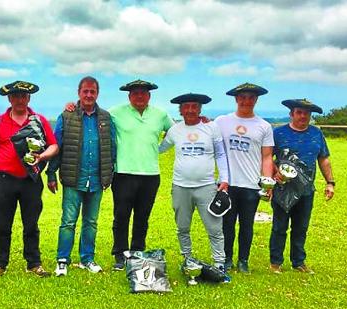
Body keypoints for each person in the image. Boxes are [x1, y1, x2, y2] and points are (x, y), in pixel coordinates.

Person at [0, 80, 59, 278]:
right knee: (2, 225)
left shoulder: (39, 121)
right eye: (15, 96)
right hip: (4, 180)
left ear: (29, 98)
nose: (19, 99)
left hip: (31, 180)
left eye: (23, 96)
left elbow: (53, 146)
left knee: (31, 224)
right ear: (9, 98)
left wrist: (41, 157)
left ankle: (34, 263)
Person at [46, 76, 116, 276]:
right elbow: (57, 146)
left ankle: (87, 259)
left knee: (91, 222)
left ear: (97, 94)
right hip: (73, 178)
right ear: (79, 93)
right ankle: (62, 260)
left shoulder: (105, 118)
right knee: (68, 221)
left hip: (96, 179)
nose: (88, 95)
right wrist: (51, 173)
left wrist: (109, 173)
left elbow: (111, 147)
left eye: (92, 91)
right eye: (85, 91)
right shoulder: (66, 116)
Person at [159, 93, 229, 272]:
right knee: (182, 227)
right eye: (186, 106)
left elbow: (220, 154)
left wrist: (225, 179)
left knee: (214, 228)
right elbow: (160, 149)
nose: (190, 110)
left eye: (194, 106)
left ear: (200, 109)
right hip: (181, 186)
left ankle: (219, 262)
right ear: (180, 110)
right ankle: (188, 259)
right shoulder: (175, 130)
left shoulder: (211, 128)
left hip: (206, 187)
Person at [109, 79, 174, 270]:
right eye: (135, 93)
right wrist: (73, 105)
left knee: (142, 217)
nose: (139, 96)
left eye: (143, 93)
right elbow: (93, 115)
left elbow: (175, 131)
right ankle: (120, 255)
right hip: (123, 173)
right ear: (129, 96)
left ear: (149, 96)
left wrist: (159, 148)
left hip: (150, 175)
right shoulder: (115, 112)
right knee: (121, 216)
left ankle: (137, 252)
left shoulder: (160, 115)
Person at [269, 99, 335, 274]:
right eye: (299, 112)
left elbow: (324, 159)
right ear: (291, 114)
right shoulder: (278, 133)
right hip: (283, 188)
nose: (303, 116)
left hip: (306, 191)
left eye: (306, 113)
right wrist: (274, 172)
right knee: (279, 227)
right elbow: (267, 157)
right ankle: (275, 262)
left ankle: (298, 262)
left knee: (301, 227)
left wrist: (330, 182)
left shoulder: (316, 134)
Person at [214, 82, 274, 273]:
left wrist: (267, 183)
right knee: (227, 224)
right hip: (228, 183)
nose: (246, 101)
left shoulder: (264, 126)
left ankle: (243, 260)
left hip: (251, 184)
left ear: (256, 100)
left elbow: (266, 157)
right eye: (243, 97)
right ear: (236, 99)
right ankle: (227, 259)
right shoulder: (222, 122)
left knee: (247, 224)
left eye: (251, 97)